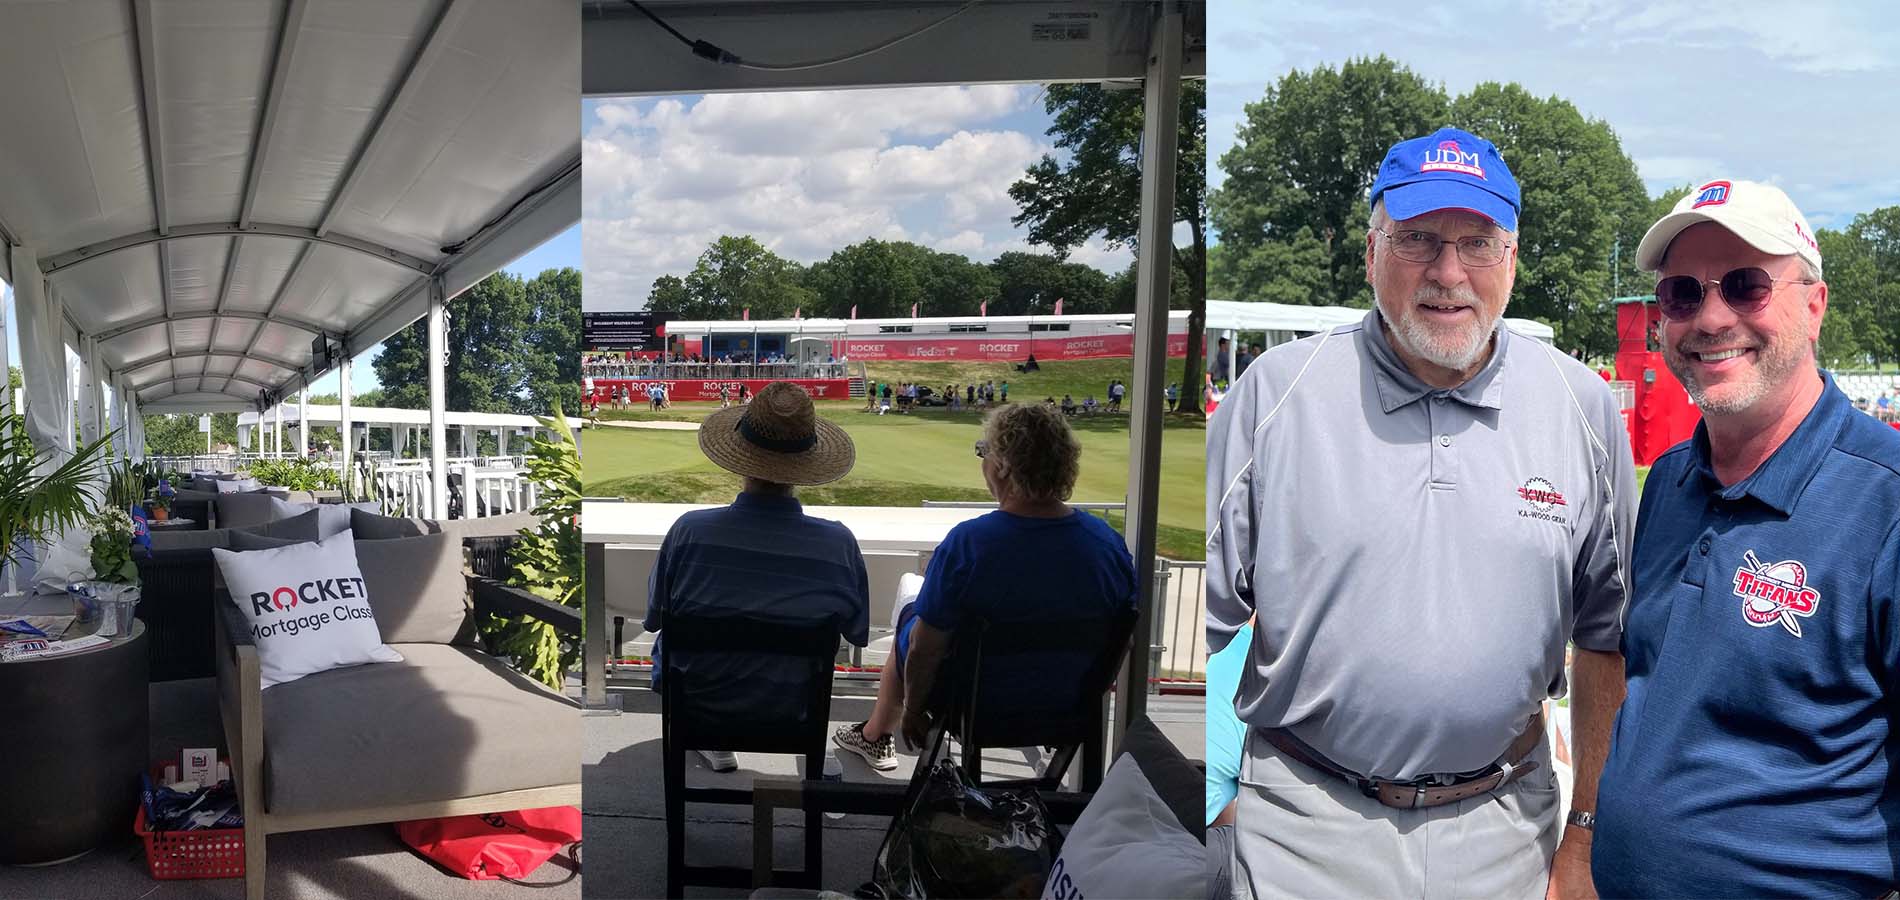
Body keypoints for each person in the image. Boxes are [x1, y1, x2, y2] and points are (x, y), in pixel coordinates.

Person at [1207, 127, 1634, 899]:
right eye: (1417, 240)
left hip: (1508, 831)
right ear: (1371, 253)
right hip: (1307, 826)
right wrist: (1207, 790)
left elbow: (1610, 640)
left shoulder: (1583, 406)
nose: (1448, 272)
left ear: (1512, 260)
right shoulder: (1273, 396)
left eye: (1477, 241)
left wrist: (1585, 836)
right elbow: (1186, 623)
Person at [1591, 181, 1900, 897]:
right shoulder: (1668, 482)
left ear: (1814, 307)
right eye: (1682, 295)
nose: (1711, 317)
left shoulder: (1882, 500)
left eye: (1745, 286)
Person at [833, 403, 1136, 769]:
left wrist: (913, 711)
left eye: (984, 451)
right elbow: (1123, 636)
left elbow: (924, 650)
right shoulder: (1107, 545)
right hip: (1068, 706)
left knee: (913, 617)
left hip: (974, 708)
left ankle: (877, 733)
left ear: (1003, 465)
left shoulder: (969, 544)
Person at [646, 382, 869, 773]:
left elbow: (655, 617)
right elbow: (856, 631)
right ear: (805, 464)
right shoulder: (838, 544)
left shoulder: (689, 532)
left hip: (700, 700)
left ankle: (715, 739)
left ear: (740, 459)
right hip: (795, 705)